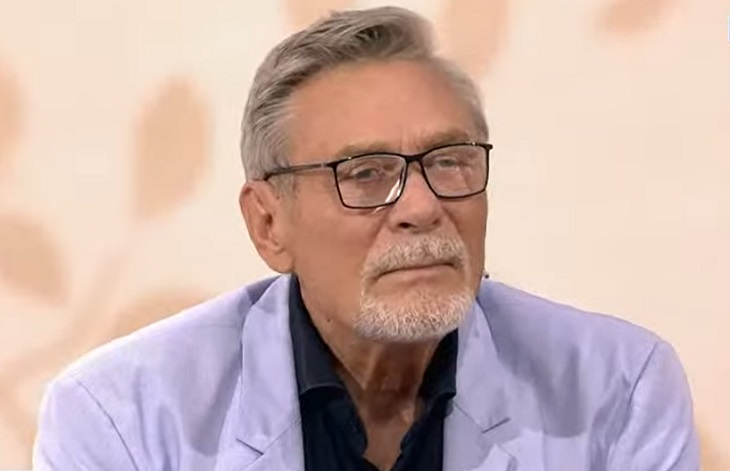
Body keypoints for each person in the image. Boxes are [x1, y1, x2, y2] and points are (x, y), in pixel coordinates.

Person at [33, 6, 699, 471]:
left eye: (449, 161)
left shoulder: (619, 388)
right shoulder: (119, 416)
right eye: (365, 173)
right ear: (269, 224)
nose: (423, 206)